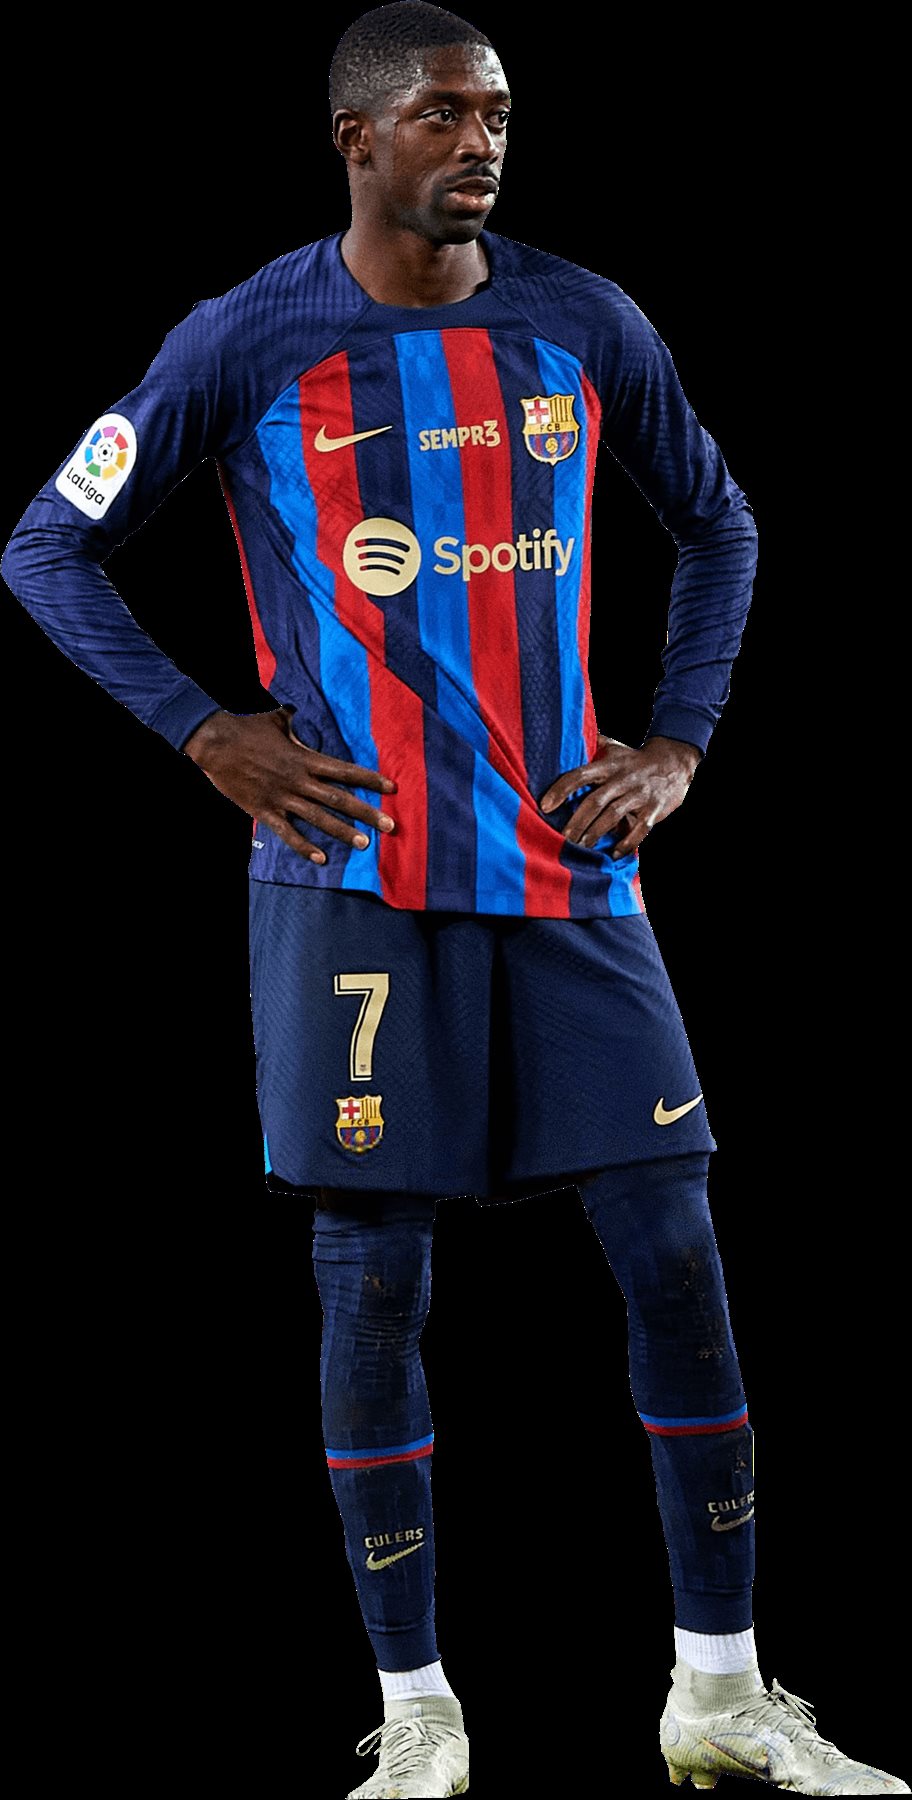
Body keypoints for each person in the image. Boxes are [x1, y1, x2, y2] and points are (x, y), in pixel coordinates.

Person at [1, 5, 906, 1795]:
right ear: (356, 138)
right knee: (375, 1282)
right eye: (440, 114)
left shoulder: (585, 321)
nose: (479, 142)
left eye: (496, 114)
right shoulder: (246, 336)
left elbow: (720, 522)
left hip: (571, 870)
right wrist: (207, 734)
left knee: (676, 1254)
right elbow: (49, 545)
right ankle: (418, 1714)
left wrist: (678, 744)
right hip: (350, 879)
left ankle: (721, 1694)